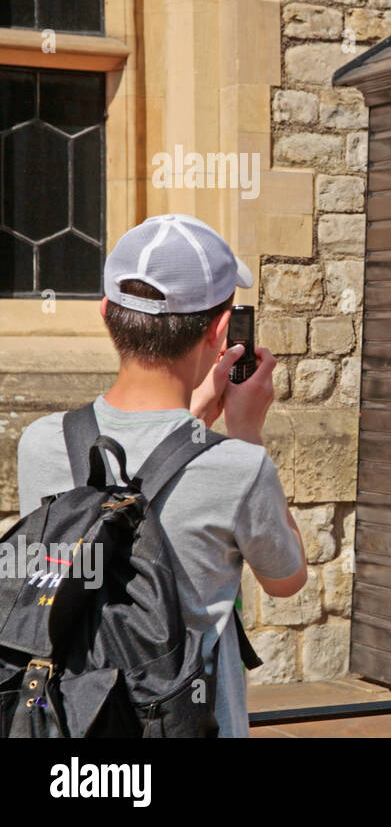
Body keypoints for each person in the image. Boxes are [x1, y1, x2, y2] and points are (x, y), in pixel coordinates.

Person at [16, 213, 307, 737]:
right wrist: (243, 431)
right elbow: (286, 579)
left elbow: (110, 505)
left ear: (106, 314)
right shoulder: (237, 465)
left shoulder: (41, 442)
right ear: (221, 331)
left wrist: (192, 424)